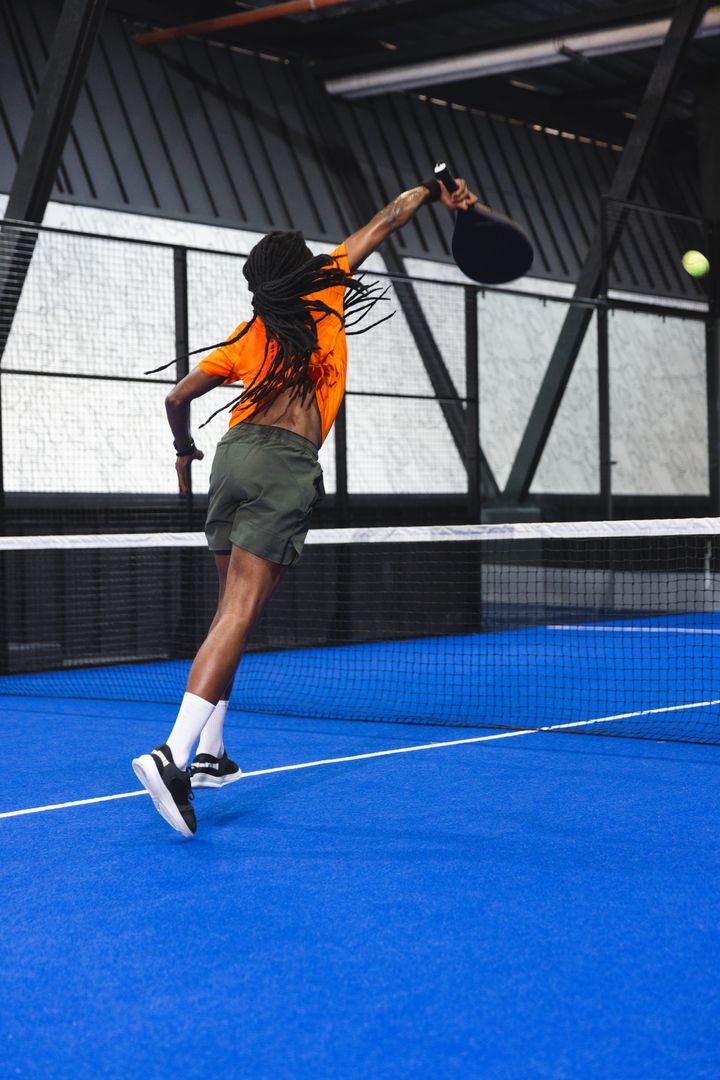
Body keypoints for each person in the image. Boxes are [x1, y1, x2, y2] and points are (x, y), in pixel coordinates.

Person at [132, 174, 478, 837]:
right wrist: (432, 189)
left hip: (230, 457)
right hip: (284, 464)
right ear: (302, 270)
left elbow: (176, 398)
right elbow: (387, 219)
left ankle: (210, 753)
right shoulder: (326, 290)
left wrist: (185, 453)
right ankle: (172, 754)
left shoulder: (249, 334)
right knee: (239, 612)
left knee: (231, 613)